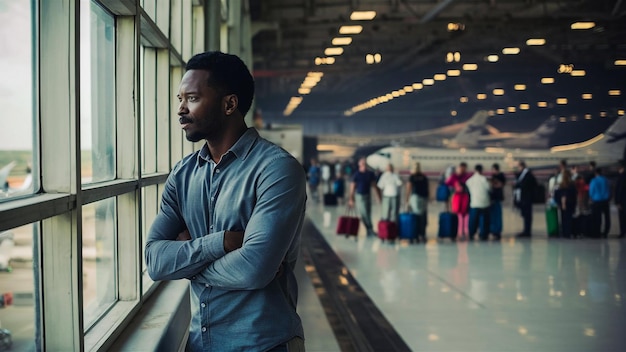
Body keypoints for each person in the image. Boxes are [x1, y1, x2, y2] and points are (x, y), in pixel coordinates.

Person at [145, 51, 306, 351]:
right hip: (200, 344)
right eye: (179, 99)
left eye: (192, 98)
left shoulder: (276, 169)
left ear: (229, 104)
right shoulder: (182, 175)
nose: (181, 109)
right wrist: (221, 243)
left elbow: (253, 269)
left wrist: (185, 261)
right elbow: (155, 261)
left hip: (264, 345)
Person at [348, 157, 382, 237]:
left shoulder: (370, 174)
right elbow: (352, 187)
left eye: (365, 164)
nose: (364, 165)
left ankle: (369, 230)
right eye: (362, 163)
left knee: (368, 213)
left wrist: (378, 196)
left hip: (367, 195)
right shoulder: (356, 175)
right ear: (359, 165)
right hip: (360, 196)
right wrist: (351, 199)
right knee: (364, 213)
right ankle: (369, 229)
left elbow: (374, 186)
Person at [445, 162, 471, 239]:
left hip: (465, 197)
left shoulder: (467, 176)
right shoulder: (454, 177)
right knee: (458, 215)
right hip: (457, 197)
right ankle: (459, 233)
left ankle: (465, 232)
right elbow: (447, 184)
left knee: (465, 215)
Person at [466, 164, 491, 241]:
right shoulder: (484, 179)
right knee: (484, 220)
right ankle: (483, 234)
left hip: (474, 203)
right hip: (484, 203)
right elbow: (489, 188)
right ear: (481, 170)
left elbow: (468, 189)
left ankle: (471, 234)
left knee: (473, 221)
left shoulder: (470, 180)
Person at [406, 162, 429, 241]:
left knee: (415, 216)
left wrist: (407, 199)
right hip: (423, 198)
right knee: (422, 216)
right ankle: (422, 234)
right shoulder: (424, 177)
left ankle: (415, 233)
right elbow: (427, 189)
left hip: (415, 198)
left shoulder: (412, 177)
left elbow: (409, 188)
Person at [514, 160, 537, 238]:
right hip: (524, 197)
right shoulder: (523, 175)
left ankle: (527, 231)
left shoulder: (528, 175)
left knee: (527, 215)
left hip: (527, 198)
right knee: (525, 215)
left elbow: (532, 184)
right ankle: (526, 230)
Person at [554, 169, 577, 239]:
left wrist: (559, 202)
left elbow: (556, 195)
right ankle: (569, 232)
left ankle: (564, 232)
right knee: (569, 218)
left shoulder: (560, 185)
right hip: (570, 204)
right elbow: (575, 194)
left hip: (562, 205)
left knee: (563, 218)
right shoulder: (572, 185)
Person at [589, 167, 611, 238]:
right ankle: (606, 232)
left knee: (597, 217)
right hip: (605, 200)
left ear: (595, 173)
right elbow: (610, 189)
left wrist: (591, 197)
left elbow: (591, 191)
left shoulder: (594, 180)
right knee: (607, 217)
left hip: (597, 201)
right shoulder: (606, 180)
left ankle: (597, 232)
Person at [490, 163, 506, 239]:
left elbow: (501, 185)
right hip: (493, 198)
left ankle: (497, 230)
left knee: (497, 215)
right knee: (493, 215)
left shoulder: (500, 176)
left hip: (497, 198)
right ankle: (494, 230)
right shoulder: (493, 176)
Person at [615, 160, 626, 238]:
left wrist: (618, 201)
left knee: (622, 217)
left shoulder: (621, 176)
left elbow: (619, 190)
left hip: (622, 201)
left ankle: (623, 232)